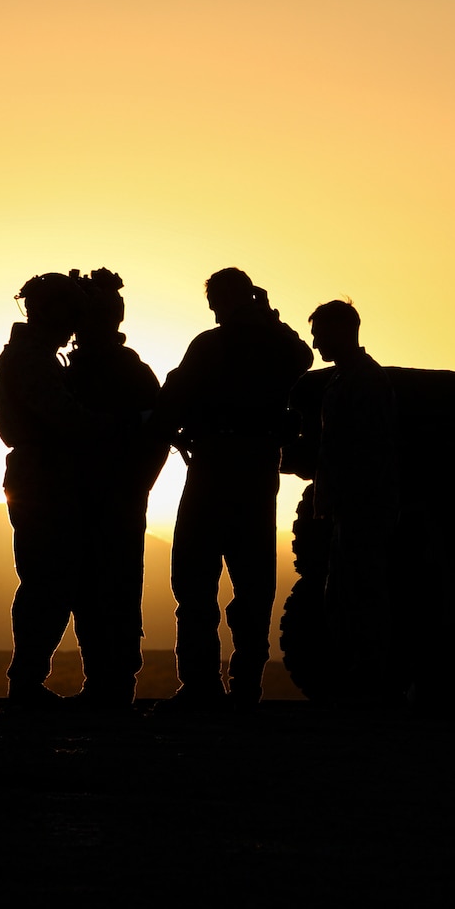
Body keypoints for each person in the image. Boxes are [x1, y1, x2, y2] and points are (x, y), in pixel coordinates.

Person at [152, 269, 313, 709]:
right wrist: (269, 316)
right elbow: (302, 356)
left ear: (217, 303)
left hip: (213, 469)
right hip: (258, 470)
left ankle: (202, 686)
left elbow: (171, 402)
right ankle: (245, 688)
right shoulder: (278, 346)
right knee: (253, 583)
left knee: (195, 580)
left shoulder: (209, 345)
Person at [64, 269, 168, 707]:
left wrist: (133, 485)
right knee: (87, 590)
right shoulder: (73, 370)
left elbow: (156, 434)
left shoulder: (129, 371)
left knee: (116, 588)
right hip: (85, 496)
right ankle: (100, 681)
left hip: (117, 497)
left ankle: (117, 682)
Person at [0, 271, 89, 707]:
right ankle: (27, 681)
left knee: (47, 580)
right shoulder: (31, 359)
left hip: (41, 473)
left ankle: (28, 680)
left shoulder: (35, 355)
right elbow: (64, 417)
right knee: (46, 581)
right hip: (43, 474)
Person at [308, 300, 400, 695]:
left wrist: (344, 496)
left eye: (320, 333)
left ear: (342, 331)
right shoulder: (348, 379)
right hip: (352, 505)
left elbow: (366, 449)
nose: (315, 343)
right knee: (347, 594)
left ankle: (368, 682)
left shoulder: (364, 381)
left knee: (360, 594)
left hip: (362, 506)